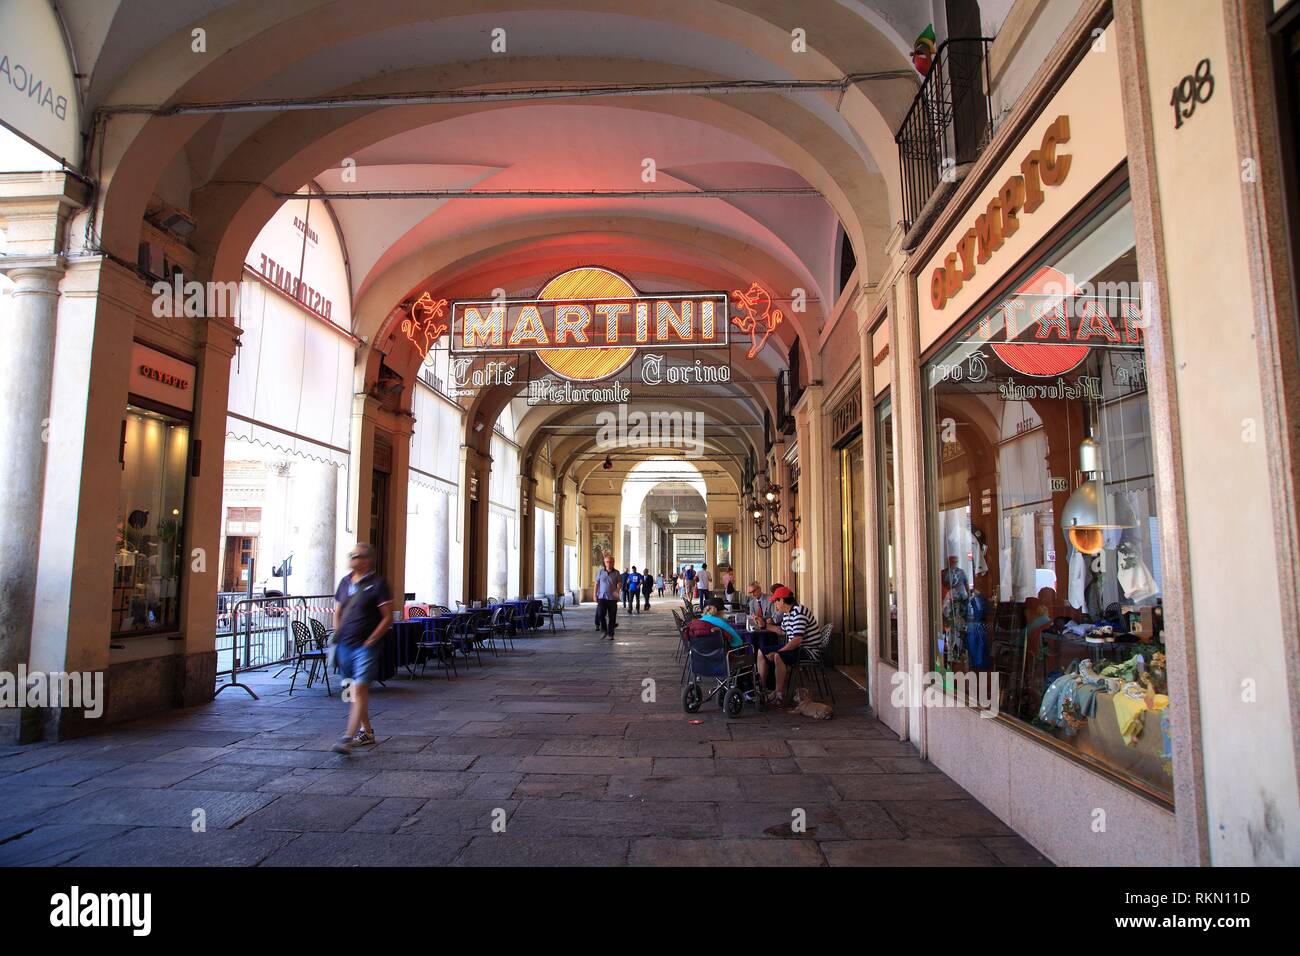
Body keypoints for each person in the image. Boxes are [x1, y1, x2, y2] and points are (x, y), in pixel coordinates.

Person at [331, 543, 394, 754]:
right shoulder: (344, 582)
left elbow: (387, 617)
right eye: (351, 555)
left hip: (365, 647)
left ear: (365, 560)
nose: (351, 559)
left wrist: (372, 640)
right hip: (345, 646)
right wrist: (337, 633)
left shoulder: (377, 584)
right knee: (350, 691)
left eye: (355, 556)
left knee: (359, 689)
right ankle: (366, 731)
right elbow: (338, 611)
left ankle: (347, 737)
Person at [755, 586, 823, 704]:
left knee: (778, 656)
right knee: (761, 651)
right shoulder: (787, 613)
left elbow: (797, 639)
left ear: (781, 600)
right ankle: (763, 689)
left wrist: (779, 652)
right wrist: (764, 625)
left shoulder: (799, 612)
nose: (774, 605)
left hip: (808, 651)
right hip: (797, 648)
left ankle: (778, 694)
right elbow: (782, 631)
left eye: (775, 601)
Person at [594, 552, 621, 641]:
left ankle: (610, 634)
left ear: (613, 563)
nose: (609, 563)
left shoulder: (617, 573)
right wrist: (595, 595)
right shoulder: (600, 572)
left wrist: (617, 591)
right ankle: (604, 630)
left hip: (612, 599)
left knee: (612, 616)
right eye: (607, 562)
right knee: (601, 614)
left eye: (610, 562)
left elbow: (619, 583)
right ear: (604, 563)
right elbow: (596, 584)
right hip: (602, 597)